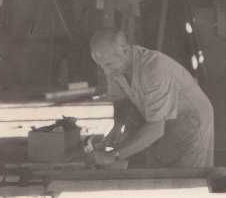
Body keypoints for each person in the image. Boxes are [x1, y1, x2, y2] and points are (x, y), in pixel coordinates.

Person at [90, 28, 214, 168]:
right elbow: (121, 98)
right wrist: (117, 126)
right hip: (162, 119)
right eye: (100, 66)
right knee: (157, 169)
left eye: (108, 64)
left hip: (191, 121)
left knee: (187, 179)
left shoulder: (155, 70)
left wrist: (113, 155)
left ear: (124, 49)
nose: (106, 71)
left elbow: (155, 128)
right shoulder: (116, 66)